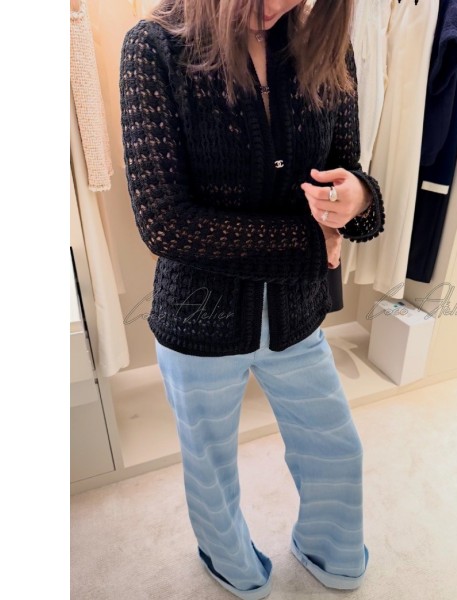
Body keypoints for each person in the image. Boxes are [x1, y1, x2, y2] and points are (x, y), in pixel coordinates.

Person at [119, 1, 385, 598]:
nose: (279, 5)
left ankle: (331, 552)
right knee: (209, 466)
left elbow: (345, 170)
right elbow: (164, 222)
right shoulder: (153, 47)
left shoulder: (325, 44)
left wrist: (359, 198)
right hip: (199, 317)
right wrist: (307, 241)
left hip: (297, 315)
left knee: (337, 448)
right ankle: (230, 563)